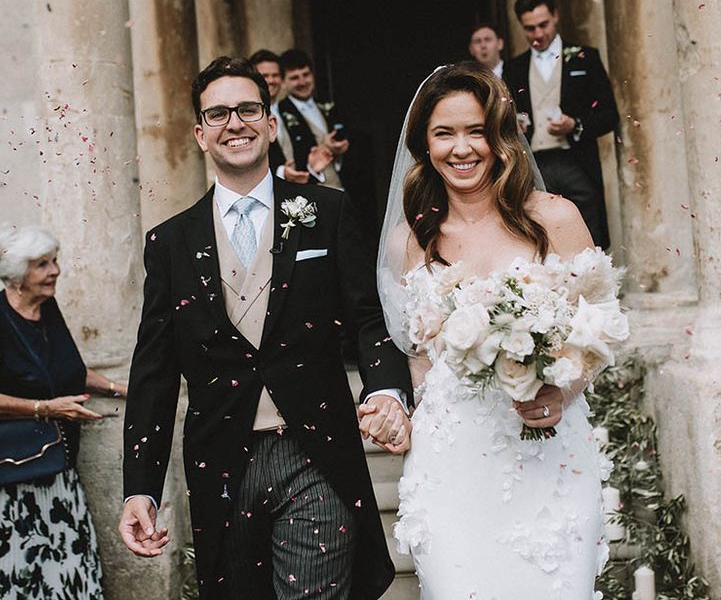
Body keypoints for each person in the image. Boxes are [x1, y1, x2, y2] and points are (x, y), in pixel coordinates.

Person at [118, 56, 413, 599]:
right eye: (219, 113)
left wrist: (388, 390)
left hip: (316, 454)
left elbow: (371, 318)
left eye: (249, 109)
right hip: (222, 463)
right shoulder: (170, 244)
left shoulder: (329, 212)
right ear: (200, 133)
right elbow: (154, 373)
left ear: (271, 124)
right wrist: (141, 488)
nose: (236, 123)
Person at [377, 62, 614, 598]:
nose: (462, 148)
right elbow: (419, 353)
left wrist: (562, 389)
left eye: (476, 130)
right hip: (452, 460)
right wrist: (405, 413)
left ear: (501, 137)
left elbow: (601, 328)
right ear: (425, 144)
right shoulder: (408, 239)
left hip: (547, 452)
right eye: (444, 133)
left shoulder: (554, 218)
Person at [0, 224, 127, 600]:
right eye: (42, 265)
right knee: (23, 579)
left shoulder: (47, 309)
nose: (54, 271)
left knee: (71, 573)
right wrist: (44, 408)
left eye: (54, 261)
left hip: (59, 473)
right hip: (14, 482)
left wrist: (122, 389)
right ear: (17, 275)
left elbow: (69, 369)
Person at [506, 0, 619, 249]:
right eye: (530, 28)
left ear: (556, 16)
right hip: (535, 165)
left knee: (589, 232)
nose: (538, 34)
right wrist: (516, 126)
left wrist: (575, 124)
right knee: (541, 237)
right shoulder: (514, 69)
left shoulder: (585, 58)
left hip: (576, 159)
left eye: (543, 25)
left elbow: (609, 115)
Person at [279, 49, 377, 240]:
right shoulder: (281, 114)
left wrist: (339, 152)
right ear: (284, 82)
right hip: (311, 196)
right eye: (294, 78)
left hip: (343, 192)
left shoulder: (327, 105)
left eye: (306, 75)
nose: (302, 82)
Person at [249, 48, 333, 185]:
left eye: (275, 75)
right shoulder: (248, 116)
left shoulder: (292, 111)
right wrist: (282, 173)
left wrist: (312, 168)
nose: (271, 80)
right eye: (265, 75)